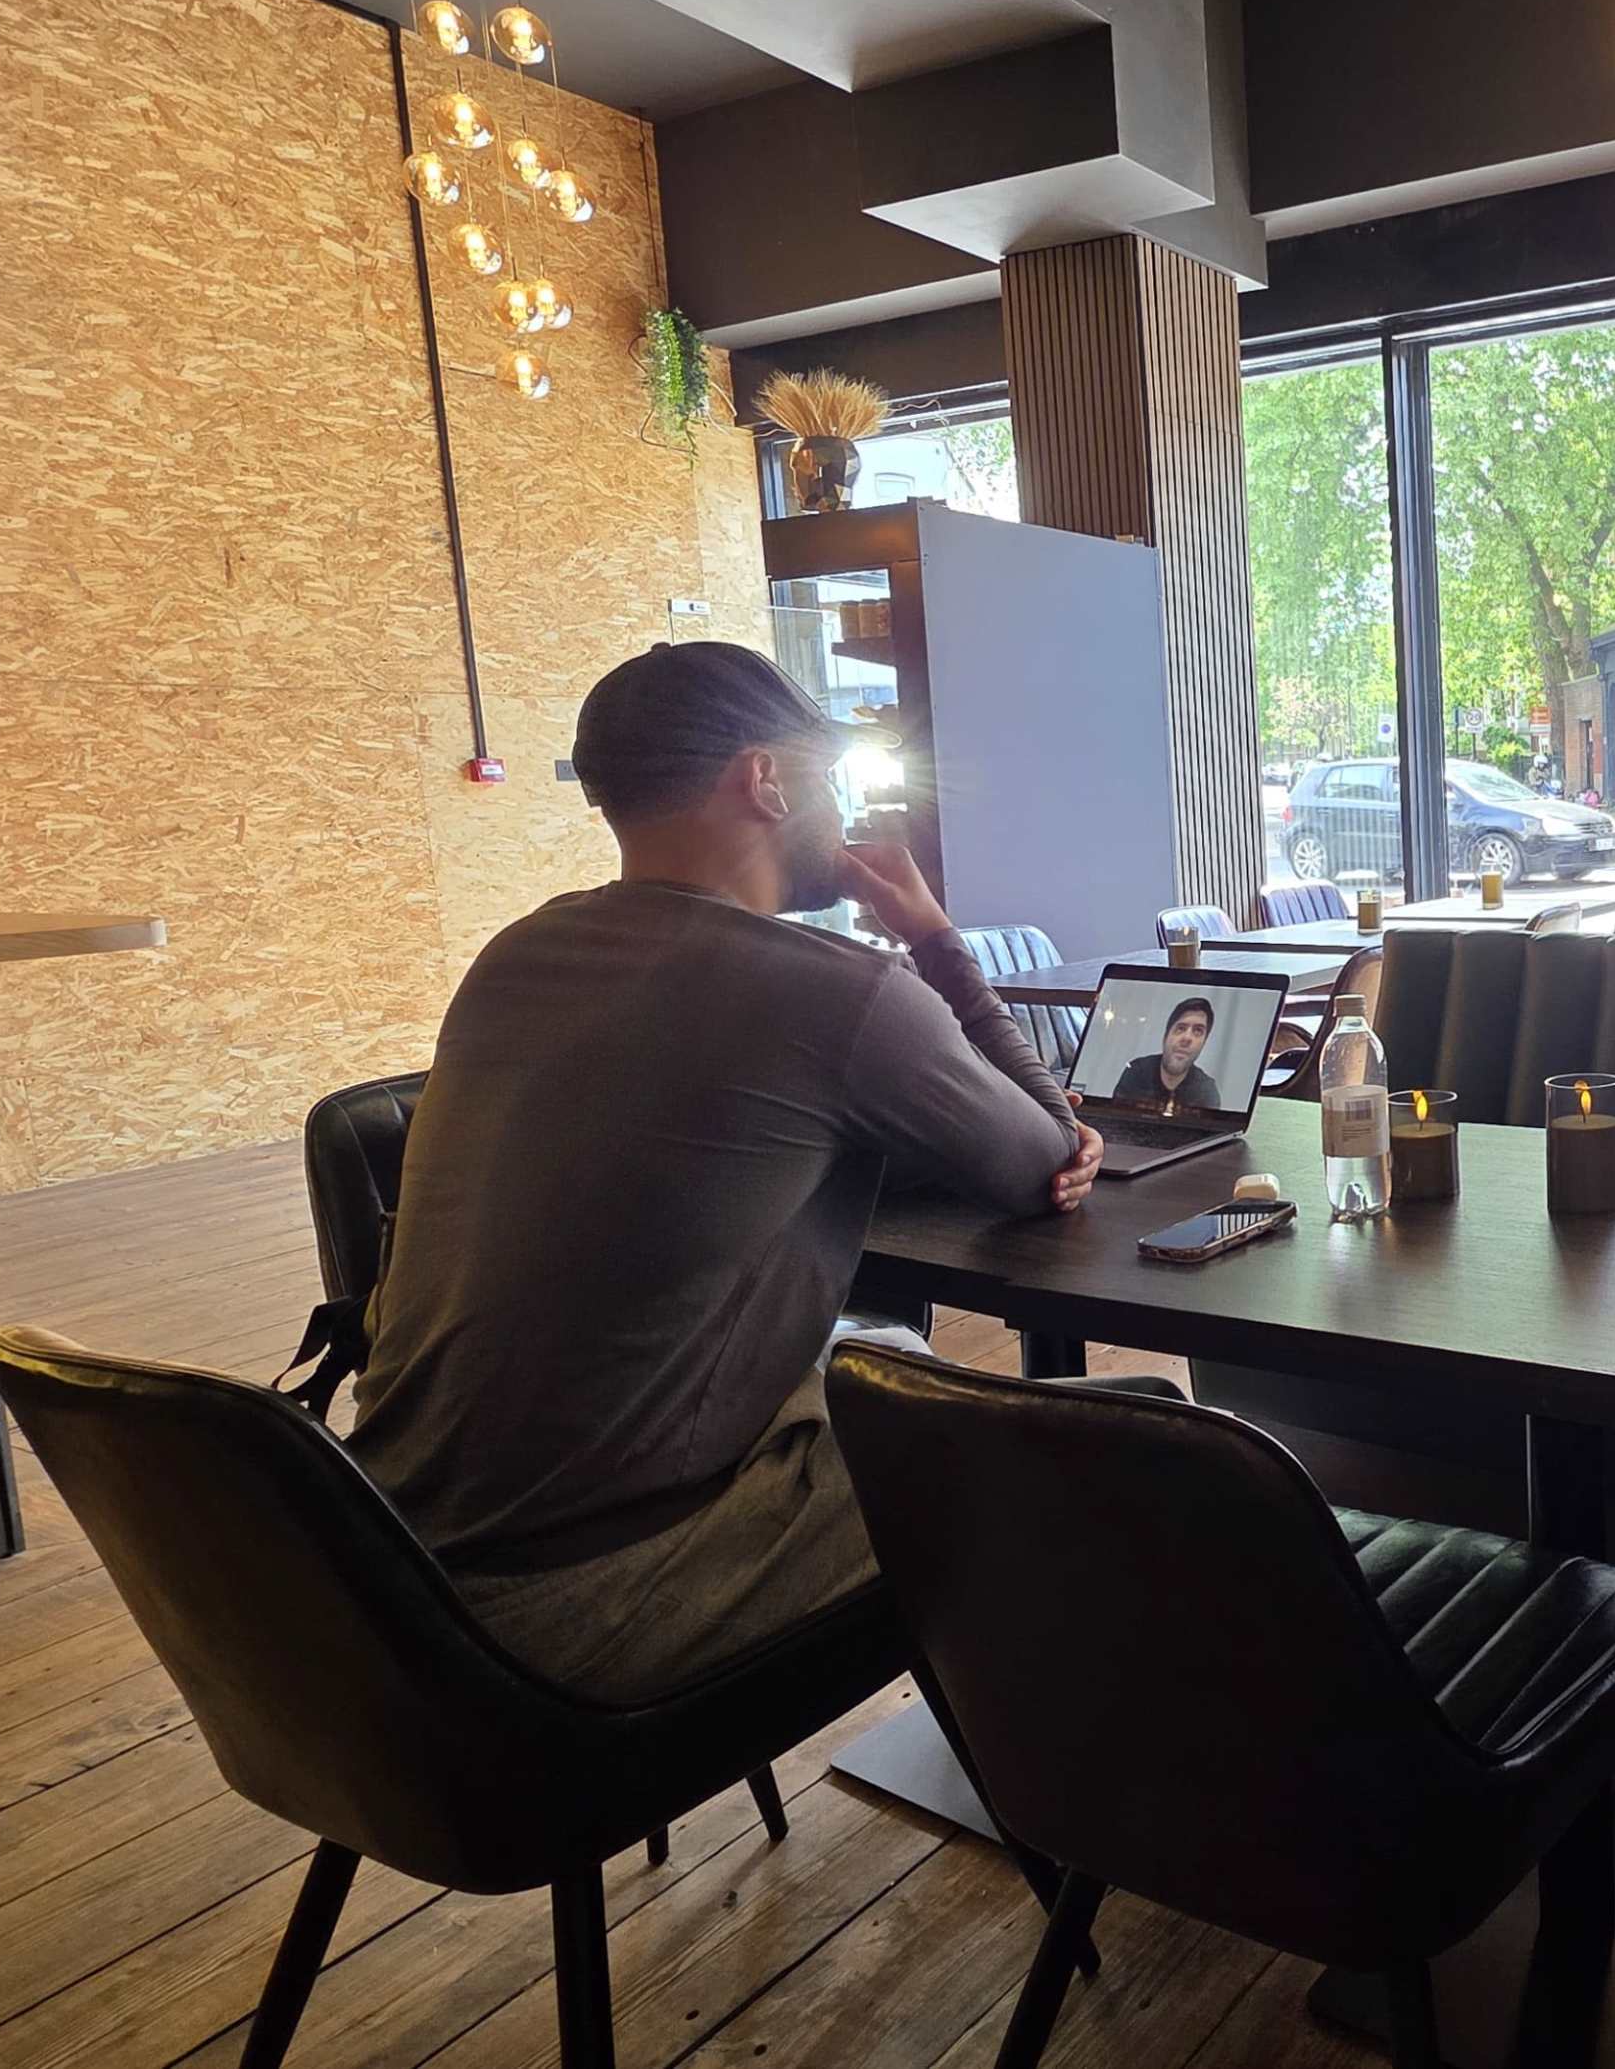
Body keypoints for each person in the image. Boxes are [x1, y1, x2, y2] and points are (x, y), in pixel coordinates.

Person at [345, 641, 1108, 1702]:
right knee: (1105, 1458)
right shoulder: (837, 992)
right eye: (830, 774)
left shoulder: (516, 954)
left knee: (881, 1362)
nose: (843, 807)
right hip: (580, 1607)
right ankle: (1070, 1780)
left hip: (380, 1574)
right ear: (766, 779)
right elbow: (1048, 1155)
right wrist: (934, 936)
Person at [1113, 996, 1223, 1115]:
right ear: (1166, 1036)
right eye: (1181, 1028)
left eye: (1198, 1031)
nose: (1187, 1038)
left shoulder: (1206, 1091)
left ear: (1204, 1043)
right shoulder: (1137, 1072)